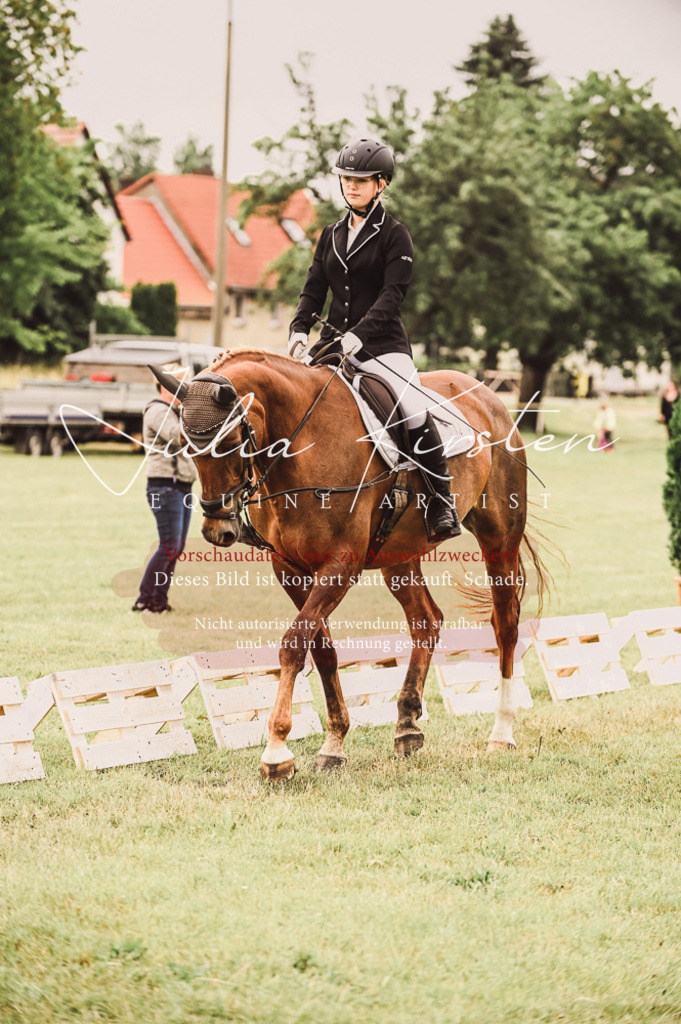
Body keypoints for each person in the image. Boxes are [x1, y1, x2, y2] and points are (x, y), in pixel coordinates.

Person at [287, 138, 460, 539]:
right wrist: (299, 328)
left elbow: (392, 296)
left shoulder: (395, 235)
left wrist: (359, 335)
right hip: (331, 347)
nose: (351, 186)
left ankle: (441, 501)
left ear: (381, 184)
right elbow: (314, 288)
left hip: (382, 345)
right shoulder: (330, 234)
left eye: (361, 180)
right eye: (346, 179)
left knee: (414, 410)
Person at [132, 363, 197, 613]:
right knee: (169, 545)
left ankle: (158, 599)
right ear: (165, 387)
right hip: (165, 489)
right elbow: (177, 435)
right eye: (178, 386)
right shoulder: (158, 412)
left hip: (180, 487)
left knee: (175, 547)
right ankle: (145, 598)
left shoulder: (174, 411)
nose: (183, 391)